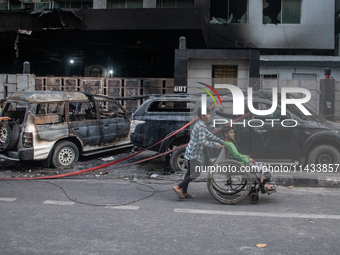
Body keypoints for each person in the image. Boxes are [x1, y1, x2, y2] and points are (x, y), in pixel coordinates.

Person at [173, 108, 224, 199]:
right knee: (196, 173)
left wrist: (221, 141)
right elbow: (202, 141)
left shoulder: (201, 125)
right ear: (202, 116)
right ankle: (178, 187)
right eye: (208, 114)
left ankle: (184, 192)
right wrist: (216, 145)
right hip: (194, 153)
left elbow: (209, 135)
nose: (210, 115)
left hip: (191, 151)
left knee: (189, 172)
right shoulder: (200, 126)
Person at [222, 126, 276, 193]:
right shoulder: (229, 144)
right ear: (225, 134)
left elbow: (236, 155)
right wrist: (247, 157)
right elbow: (236, 155)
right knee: (269, 172)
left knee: (263, 164)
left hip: (244, 162)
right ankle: (264, 185)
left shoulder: (228, 143)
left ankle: (262, 183)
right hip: (244, 164)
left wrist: (246, 157)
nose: (234, 134)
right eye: (231, 132)